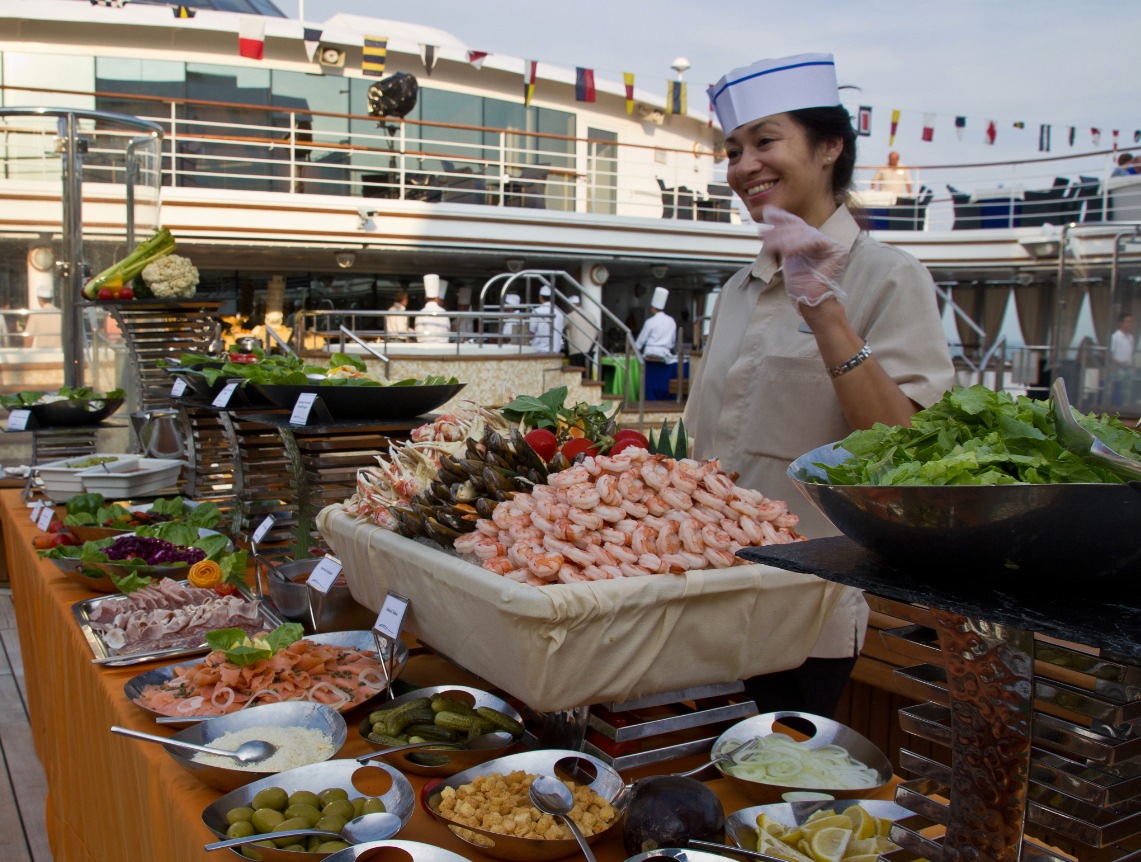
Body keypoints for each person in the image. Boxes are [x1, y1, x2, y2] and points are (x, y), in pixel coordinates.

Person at [686, 53, 955, 718]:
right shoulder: (737, 289)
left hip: (800, 617)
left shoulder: (888, 278)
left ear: (829, 146)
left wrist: (826, 315)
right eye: (733, 149)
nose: (743, 166)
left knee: (771, 798)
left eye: (765, 141)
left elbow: (902, 452)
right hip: (692, 596)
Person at [634, 286, 678, 361]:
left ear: (653, 308)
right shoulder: (671, 321)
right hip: (665, 354)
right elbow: (673, 341)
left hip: (649, 354)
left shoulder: (650, 322)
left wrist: (634, 349)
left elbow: (641, 340)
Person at [564, 295, 598, 373]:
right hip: (590, 349)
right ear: (580, 305)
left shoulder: (570, 316)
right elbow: (596, 333)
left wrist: (561, 343)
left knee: (577, 374)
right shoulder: (591, 315)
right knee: (587, 373)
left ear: (570, 306)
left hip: (577, 350)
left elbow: (561, 329)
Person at [414, 274, 451, 344]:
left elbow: (418, 335)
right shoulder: (444, 312)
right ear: (437, 298)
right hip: (442, 347)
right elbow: (447, 332)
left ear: (425, 297)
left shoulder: (420, 313)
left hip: (425, 347)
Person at [24, 285, 62, 349]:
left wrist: (25, 354)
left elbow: (29, 338)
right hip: (60, 353)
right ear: (51, 299)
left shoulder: (35, 315)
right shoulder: (61, 314)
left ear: (40, 299)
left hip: (42, 353)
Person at [1109, 311, 1136, 405]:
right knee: (1118, 389)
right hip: (1118, 368)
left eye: (1131, 322)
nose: (1130, 324)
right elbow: (1110, 355)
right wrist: (1119, 363)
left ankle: (1125, 408)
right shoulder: (1115, 337)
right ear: (1121, 323)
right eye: (1127, 321)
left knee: (1127, 391)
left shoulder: (1131, 338)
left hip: (1128, 368)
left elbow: (1131, 353)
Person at [528, 285, 564, 352]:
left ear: (540, 297)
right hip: (556, 351)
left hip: (539, 350)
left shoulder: (536, 311)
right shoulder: (559, 313)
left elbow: (531, 331)